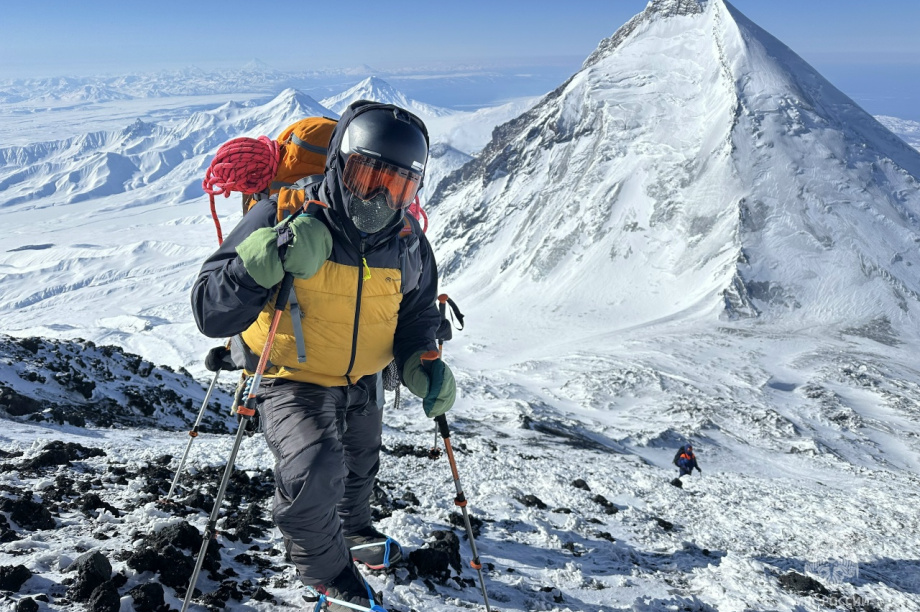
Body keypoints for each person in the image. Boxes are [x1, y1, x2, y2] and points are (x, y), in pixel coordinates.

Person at [191, 100, 456, 611]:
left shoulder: (407, 239)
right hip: (292, 375)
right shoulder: (285, 215)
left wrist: (420, 361)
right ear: (339, 164)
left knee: (360, 465)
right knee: (316, 465)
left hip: (365, 378)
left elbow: (418, 313)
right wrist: (263, 260)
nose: (381, 195)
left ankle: (352, 531)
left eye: (399, 184)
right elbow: (210, 311)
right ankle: (326, 572)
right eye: (368, 175)